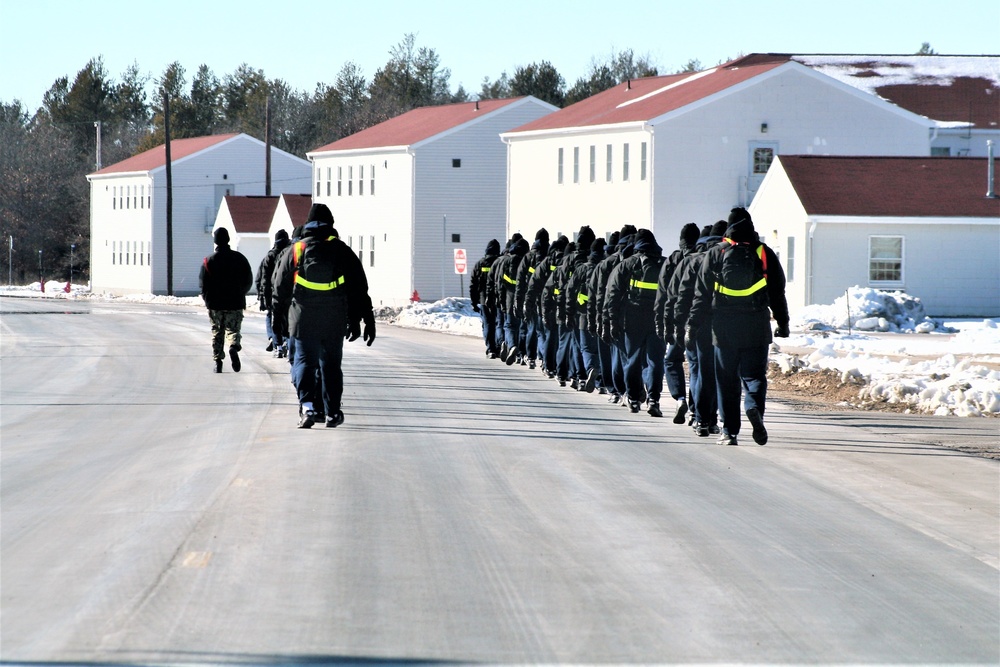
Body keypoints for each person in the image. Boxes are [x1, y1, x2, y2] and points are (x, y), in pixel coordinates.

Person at [688, 207, 789, 445]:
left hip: (723, 328)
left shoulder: (715, 254)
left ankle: (729, 431)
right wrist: (783, 323)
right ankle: (753, 407)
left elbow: (701, 295)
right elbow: (777, 292)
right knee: (754, 377)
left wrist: (692, 326)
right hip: (756, 325)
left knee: (726, 381)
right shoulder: (764, 253)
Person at [272, 203, 376, 429]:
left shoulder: (296, 250)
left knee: (304, 362)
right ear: (330, 224)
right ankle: (332, 412)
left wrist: (277, 319)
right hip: (333, 317)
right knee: (330, 365)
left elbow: (279, 288)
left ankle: (308, 406)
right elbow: (359, 287)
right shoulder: (341, 249)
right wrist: (366, 319)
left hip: (302, 317)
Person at [667, 220, 727, 437]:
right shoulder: (727, 257)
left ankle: (700, 417)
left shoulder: (691, 260)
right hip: (726, 323)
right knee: (721, 373)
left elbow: (676, 296)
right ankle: (714, 419)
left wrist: (677, 325)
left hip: (697, 323)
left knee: (700, 371)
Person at [604, 229, 666, 415]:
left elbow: (612, 295)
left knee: (632, 359)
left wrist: (612, 320)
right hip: (657, 318)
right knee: (655, 360)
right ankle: (654, 399)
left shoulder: (626, 265)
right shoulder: (665, 264)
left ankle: (632, 399)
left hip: (632, 319)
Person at [654, 222, 701, 424]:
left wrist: (663, 324)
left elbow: (664, 294)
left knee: (671, 360)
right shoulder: (703, 258)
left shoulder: (673, 259)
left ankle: (679, 397)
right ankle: (695, 409)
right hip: (699, 320)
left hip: (677, 321)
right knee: (696, 366)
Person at [199, 227, 254, 373]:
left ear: (215, 241)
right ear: (228, 239)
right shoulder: (239, 258)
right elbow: (248, 280)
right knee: (233, 330)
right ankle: (233, 347)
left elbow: (203, 284)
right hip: (235, 302)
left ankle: (218, 361)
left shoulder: (208, 261)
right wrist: (241, 293)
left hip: (215, 304)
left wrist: (207, 299)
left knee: (217, 332)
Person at [256, 228, 291, 357]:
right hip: (288, 291)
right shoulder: (290, 253)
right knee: (287, 318)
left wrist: (263, 297)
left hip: (273, 292)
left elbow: (263, 278)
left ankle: (276, 344)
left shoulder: (270, 256)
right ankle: (287, 341)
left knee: (272, 317)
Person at [470, 239, 501, 358]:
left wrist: (474, 301)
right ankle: (498, 346)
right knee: (498, 323)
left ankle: (491, 349)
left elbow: (473, 284)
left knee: (488, 324)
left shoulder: (479, 264)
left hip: (484, 299)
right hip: (498, 299)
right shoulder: (499, 263)